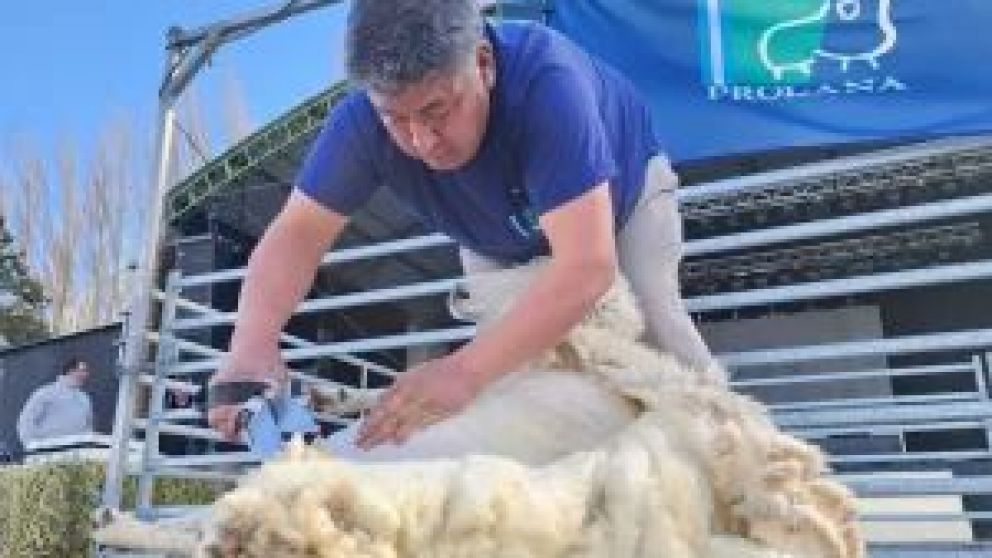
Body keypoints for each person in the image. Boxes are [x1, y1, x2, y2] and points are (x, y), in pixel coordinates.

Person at [208, 0, 717, 451]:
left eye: (436, 110)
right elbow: (297, 233)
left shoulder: (548, 84)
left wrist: (463, 370)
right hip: (493, 231)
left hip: (618, 198)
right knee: (514, 362)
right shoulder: (360, 123)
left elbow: (587, 268)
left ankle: (733, 456)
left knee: (652, 316)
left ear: (483, 62)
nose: (422, 141)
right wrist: (252, 343)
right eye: (396, 119)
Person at [16, 357, 94, 448]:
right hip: (48, 453)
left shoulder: (84, 398)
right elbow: (26, 420)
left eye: (86, 371)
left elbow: (88, 426)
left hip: (77, 454)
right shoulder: (46, 392)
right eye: (82, 370)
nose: (85, 374)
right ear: (70, 371)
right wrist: (31, 446)